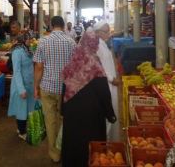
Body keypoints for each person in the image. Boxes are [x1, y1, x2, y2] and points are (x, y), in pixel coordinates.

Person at [61, 30, 116, 167]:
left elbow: (65, 89)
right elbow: (104, 93)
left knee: (73, 145)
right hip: (92, 117)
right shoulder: (96, 66)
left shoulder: (72, 63)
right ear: (93, 45)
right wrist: (110, 115)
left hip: (72, 114)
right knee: (92, 150)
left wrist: (63, 110)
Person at [33, 16, 76, 163]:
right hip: (66, 89)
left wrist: (35, 86)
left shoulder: (43, 41)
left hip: (47, 87)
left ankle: (54, 155)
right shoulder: (71, 42)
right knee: (65, 120)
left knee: (50, 121)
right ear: (64, 26)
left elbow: (39, 67)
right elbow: (75, 67)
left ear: (51, 26)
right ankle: (66, 150)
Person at [94, 21, 121, 141]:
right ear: (98, 32)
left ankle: (109, 142)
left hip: (110, 83)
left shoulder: (103, 44)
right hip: (106, 85)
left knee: (111, 113)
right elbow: (98, 67)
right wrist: (111, 79)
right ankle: (106, 143)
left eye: (108, 31)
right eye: (106, 32)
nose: (108, 34)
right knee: (108, 114)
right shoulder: (96, 45)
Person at [7, 32, 36, 141]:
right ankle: (22, 131)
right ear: (23, 40)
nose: (31, 41)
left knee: (28, 108)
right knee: (21, 109)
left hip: (29, 83)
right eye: (29, 39)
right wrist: (21, 89)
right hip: (21, 84)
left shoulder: (27, 50)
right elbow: (17, 71)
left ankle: (22, 128)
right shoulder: (17, 52)